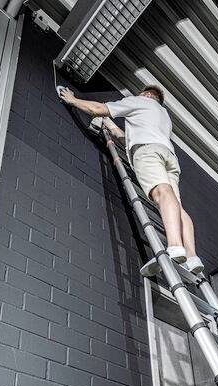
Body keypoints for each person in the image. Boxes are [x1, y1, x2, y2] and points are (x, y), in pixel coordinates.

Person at [58, 84, 204, 275]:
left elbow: (98, 109)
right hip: (168, 156)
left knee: (161, 192)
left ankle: (175, 246)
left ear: (146, 94)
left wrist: (73, 100)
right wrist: (109, 125)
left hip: (148, 152)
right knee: (177, 205)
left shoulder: (140, 101)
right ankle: (192, 257)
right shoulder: (163, 116)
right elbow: (126, 138)